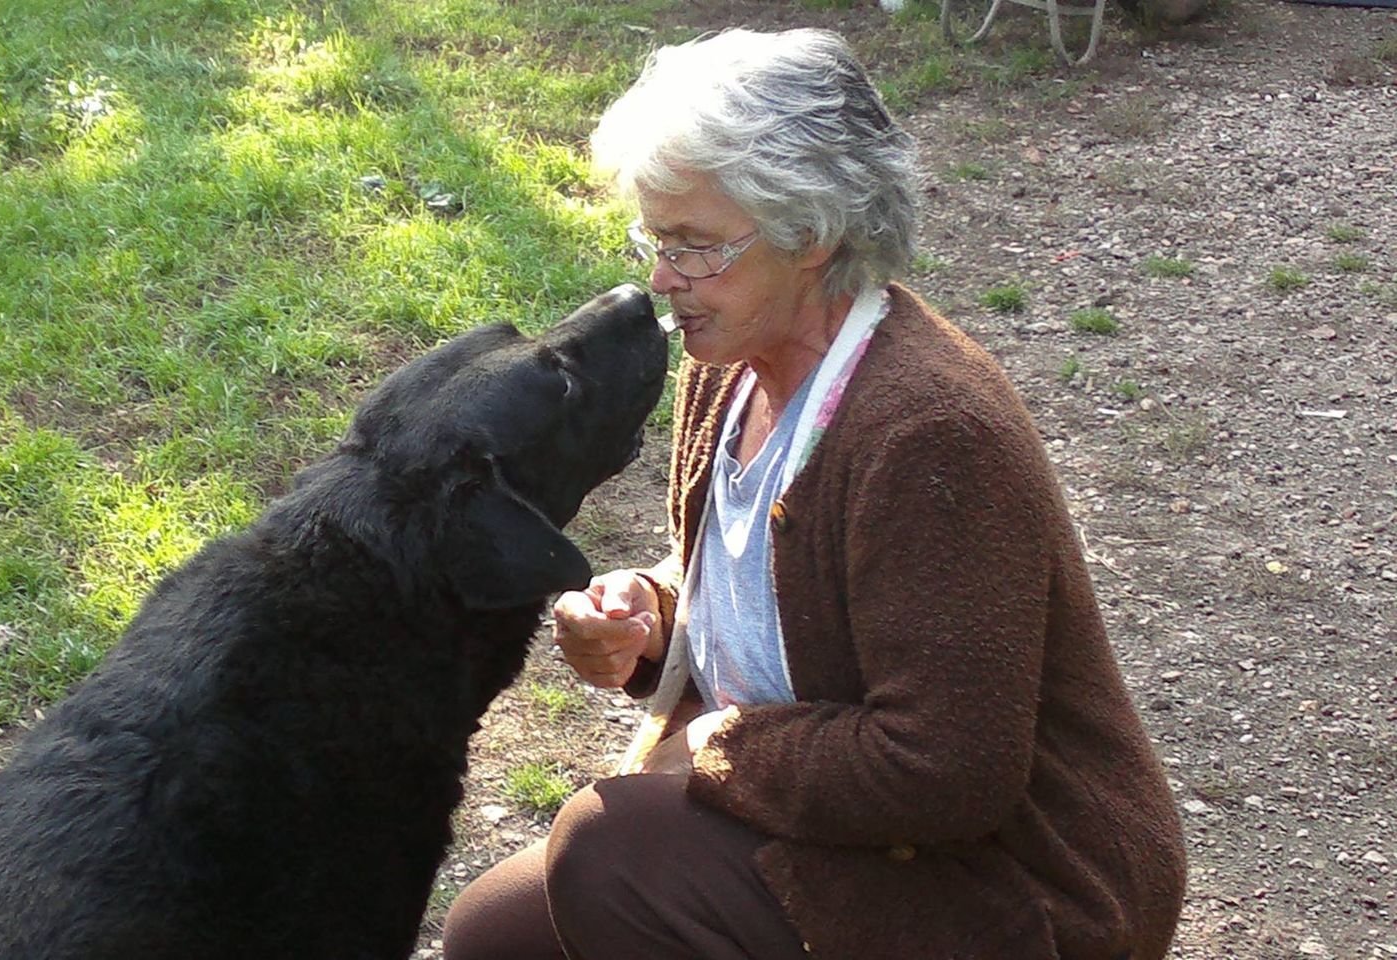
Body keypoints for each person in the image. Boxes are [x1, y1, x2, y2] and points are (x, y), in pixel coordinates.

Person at [442, 27, 1186, 960]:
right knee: (494, 938)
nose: (661, 279)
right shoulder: (737, 362)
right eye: (656, 239)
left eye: (696, 246)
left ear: (814, 235)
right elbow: (787, 586)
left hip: (1014, 888)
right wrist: (656, 617)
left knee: (609, 857)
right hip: (847, 820)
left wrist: (712, 746)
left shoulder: (927, 435)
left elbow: (947, 773)